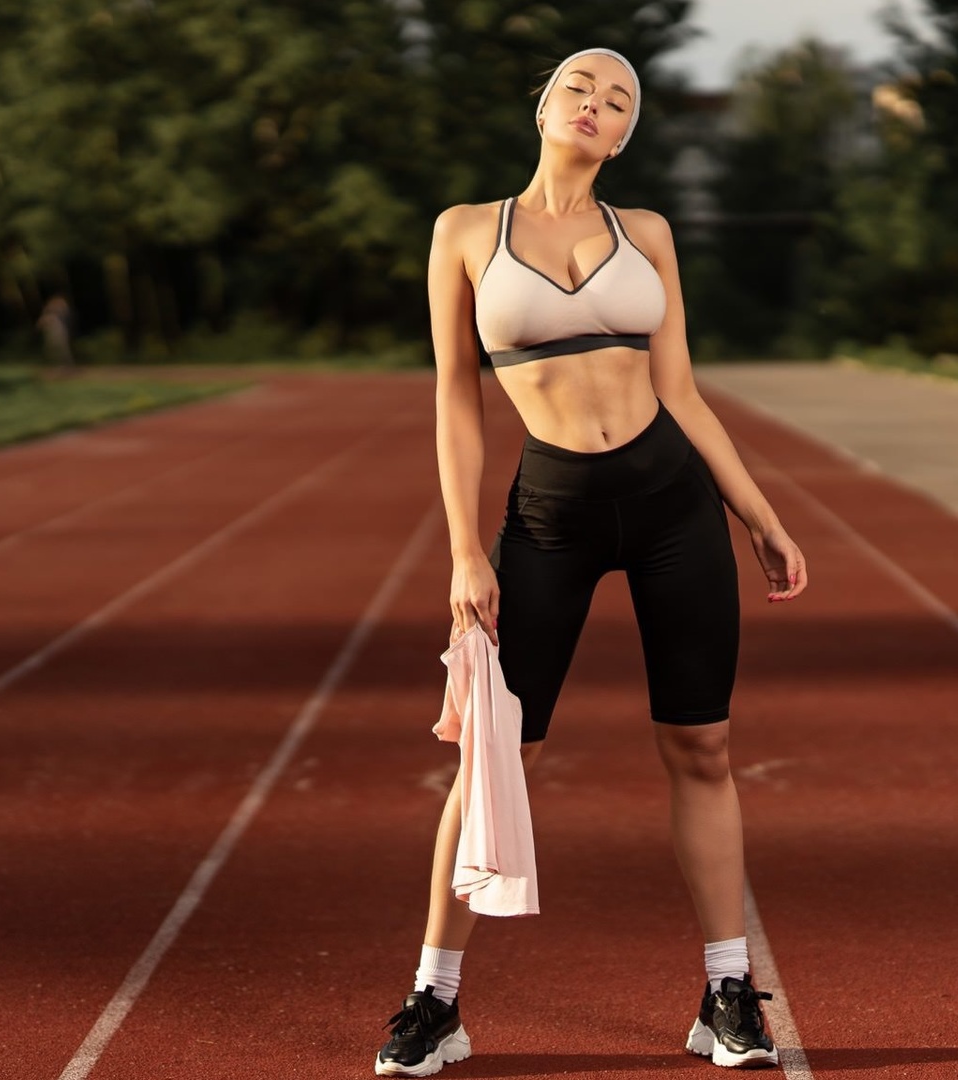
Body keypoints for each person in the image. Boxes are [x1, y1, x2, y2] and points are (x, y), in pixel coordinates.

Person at [375, 47, 810, 1077]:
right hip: (551, 517)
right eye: (580, 86)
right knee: (498, 763)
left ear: (623, 136)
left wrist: (759, 514)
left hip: (672, 508)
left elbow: (686, 392)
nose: (596, 104)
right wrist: (461, 553)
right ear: (544, 105)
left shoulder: (646, 234)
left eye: (619, 100)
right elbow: (453, 398)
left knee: (702, 750)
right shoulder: (464, 234)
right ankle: (434, 1001)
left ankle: (726, 992)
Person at [36, 294, 77, 368]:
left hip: (59, 334)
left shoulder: (58, 315)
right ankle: (56, 366)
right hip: (51, 335)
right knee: (52, 351)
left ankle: (68, 366)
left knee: (63, 351)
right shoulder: (48, 314)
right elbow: (40, 324)